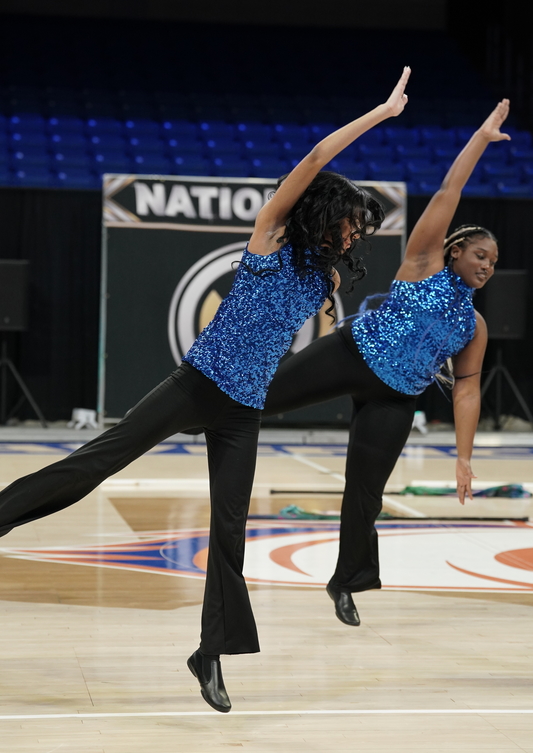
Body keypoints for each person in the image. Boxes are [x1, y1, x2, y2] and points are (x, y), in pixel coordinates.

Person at [0, 68, 412, 712]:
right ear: (325, 214)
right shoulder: (271, 233)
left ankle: (209, 654)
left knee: (229, 533)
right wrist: (381, 115)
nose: (358, 233)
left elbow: (345, 325)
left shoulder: (325, 278)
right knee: (95, 464)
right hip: (196, 384)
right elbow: (314, 157)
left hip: (242, 412)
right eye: (352, 222)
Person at [263, 99, 509, 627]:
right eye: (480, 256)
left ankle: (345, 582)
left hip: (397, 397)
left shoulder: (475, 326)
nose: (487, 267)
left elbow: (467, 390)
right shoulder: (423, 262)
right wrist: (480, 140)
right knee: (263, 394)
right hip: (353, 355)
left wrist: (463, 459)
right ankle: (191, 414)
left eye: (493, 263)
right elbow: (449, 191)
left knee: (365, 494)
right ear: (458, 249)